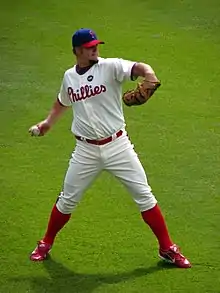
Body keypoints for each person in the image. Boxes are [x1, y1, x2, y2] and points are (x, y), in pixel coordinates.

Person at [29, 28, 191, 268]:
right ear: (77, 50)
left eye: (96, 44)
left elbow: (139, 67)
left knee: (145, 196)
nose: (95, 48)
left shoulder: (110, 66)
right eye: (90, 46)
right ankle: (45, 243)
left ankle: (167, 248)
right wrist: (47, 124)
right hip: (85, 151)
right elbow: (63, 101)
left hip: (118, 146)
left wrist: (150, 76)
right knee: (67, 200)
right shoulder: (69, 77)